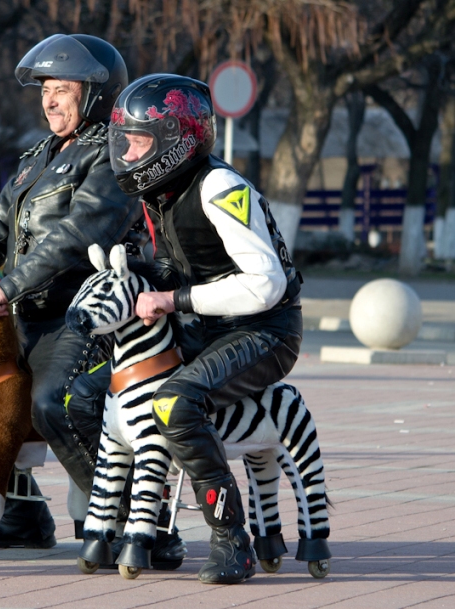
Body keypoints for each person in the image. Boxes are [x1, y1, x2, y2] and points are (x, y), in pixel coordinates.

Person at [106, 74, 304, 584]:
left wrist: (171, 299)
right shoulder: (163, 192)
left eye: (140, 140)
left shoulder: (220, 188)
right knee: (92, 394)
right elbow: (180, 267)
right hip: (212, 327)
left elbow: (266, 285)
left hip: (265, 332)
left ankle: (230, 537)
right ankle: (145, 528)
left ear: (178, 138)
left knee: (175, 403)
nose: (128, 151)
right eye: (124, 139)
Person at [0, 34, 144, 549]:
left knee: (51, 402)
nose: (50, 99)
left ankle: (124, 517)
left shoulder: (112, 157)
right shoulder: (38, 155)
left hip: (80, 317)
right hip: (24, 317)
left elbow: (77, 235)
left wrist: (8, 286)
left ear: (97, 95)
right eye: (45, 89)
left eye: (63, 88)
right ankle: (20, 516)